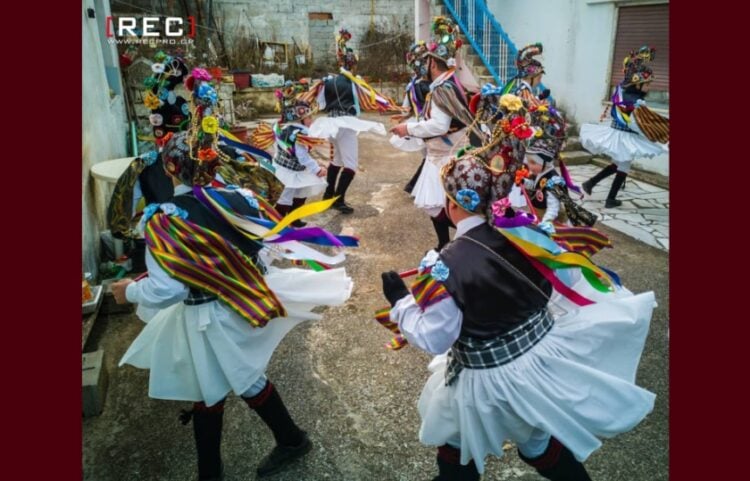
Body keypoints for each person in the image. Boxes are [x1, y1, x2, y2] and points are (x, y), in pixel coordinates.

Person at [110, 77, 354, 481]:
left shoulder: (167, 221)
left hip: (211, 317)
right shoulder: (237, 198)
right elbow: (266, 246)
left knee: (225, 383)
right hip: (241, 302)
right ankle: (269, 447)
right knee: (226, 381)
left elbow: (168, 288)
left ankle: (252, 456)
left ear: (170, 167)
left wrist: (127, 290)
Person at [380, 153, 656, 480]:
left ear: (451, 204)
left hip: (487, 381)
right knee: (538, 441)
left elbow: (436, 338)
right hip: (540, 366)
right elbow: (566, 279)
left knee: (457, 441)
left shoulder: (446, 264)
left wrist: (401, 303)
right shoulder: (525, 231)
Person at [390, 16, 480, 252]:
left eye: (426, 61)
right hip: (444, 152)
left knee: (443, 205)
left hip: (446, 156)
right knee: (437, 204)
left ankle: (468, 240)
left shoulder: (441, 89)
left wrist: (407, 129)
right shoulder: (450, 83)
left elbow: (439, 125)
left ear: (432, 63)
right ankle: (446, 243)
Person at [301, 28, 396, 214]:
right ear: (352, 65)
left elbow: (320, 104)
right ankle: (338, 199)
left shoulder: (327, 82)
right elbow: (365, 99)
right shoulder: (354, 81)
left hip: (331, 122)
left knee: (336, 160)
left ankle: (329, 195)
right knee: (350, 165)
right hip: (347, 122)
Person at [580, 46, 669, 208]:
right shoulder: (634, 102)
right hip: (624, 136)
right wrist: (653, 133)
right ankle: (608, 197)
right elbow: (635, 124)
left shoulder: (622, 92)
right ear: (638, 85)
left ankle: (591, 184)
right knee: (623, 165)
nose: (649, 88)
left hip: (618, 133)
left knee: (619, 164)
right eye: (647, 84)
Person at [271, 84, 328, 227]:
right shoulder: (301, 134)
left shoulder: (284, 128)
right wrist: (317, 169)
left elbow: (278, 146)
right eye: (309, 118)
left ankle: (293, 219)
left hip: (284, 168)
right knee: (288, 196)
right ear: (300, 119)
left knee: (300, 191)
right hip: (291, 171)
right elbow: (302, 156)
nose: (311, 121)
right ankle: (279, 223)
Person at [394, 41, 432, 193]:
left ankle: (415, 186)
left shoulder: (412, 84)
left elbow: (407, 108)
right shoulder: (426, 84)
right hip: (427, 125)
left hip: (418, 124)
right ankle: (415, 186)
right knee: (430, 157)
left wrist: (404, 117)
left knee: (428, 157)